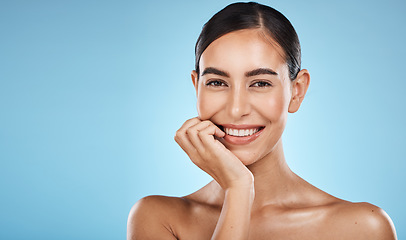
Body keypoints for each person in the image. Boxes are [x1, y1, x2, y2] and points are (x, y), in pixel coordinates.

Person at [127, 2, 397, 239]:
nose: (236, 110)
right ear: (196, 87)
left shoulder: (362, 228)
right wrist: (239, 190)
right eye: (217, 82)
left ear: (297, 91)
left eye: (259, 83)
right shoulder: (158, 218)